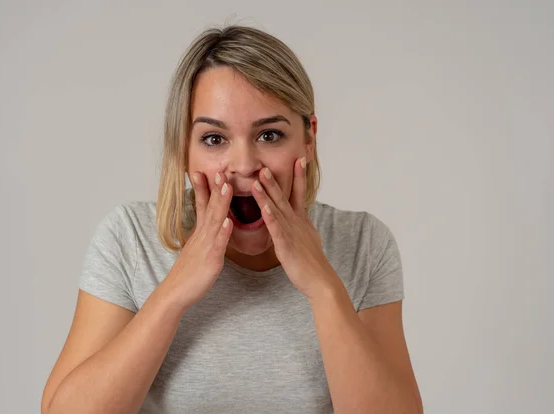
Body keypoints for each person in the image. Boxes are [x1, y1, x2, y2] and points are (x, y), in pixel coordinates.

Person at [42, 25, 423, 414]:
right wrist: (174, 292)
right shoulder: (129, 239)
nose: (244, 165)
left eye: (270, 135)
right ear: (183, 148)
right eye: (214, 139)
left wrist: (323, 287)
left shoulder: (363, 244)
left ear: (308, 138)